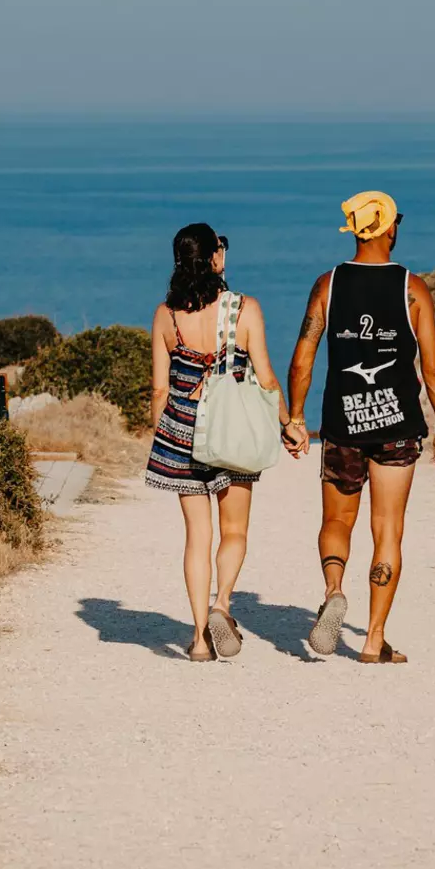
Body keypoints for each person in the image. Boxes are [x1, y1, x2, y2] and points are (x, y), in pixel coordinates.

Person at [281, 191, 435, 663]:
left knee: (337, 521)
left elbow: (302, 359)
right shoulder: (413, 289)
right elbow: (432, 367)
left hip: (342, 426)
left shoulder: (329, 285)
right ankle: (374, 640)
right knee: (388, 530)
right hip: (397, 427)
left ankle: (334, 590)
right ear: (388, 228)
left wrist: (296, 418)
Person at [146, 222, 297, 661]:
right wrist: (288, 424)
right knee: (234, 531)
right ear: (217, 257)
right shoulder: (244, 309)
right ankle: (222, 605)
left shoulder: (166, 315)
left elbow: (159, 389)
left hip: (182, 432)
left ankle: (198, 640)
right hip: (232, 430)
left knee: (197, 536)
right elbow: (266, 378)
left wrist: (162, 435)